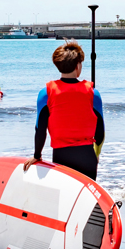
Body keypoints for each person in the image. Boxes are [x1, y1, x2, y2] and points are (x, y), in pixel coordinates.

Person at [24, 41, 105, 180]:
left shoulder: (46, 93)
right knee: (86, 199)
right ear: (78, 65)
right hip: (87, 156)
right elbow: (100, 131)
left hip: (61, 155)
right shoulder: (93, 93)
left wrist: (37, 156)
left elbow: (40, 128)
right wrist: (96, 154)